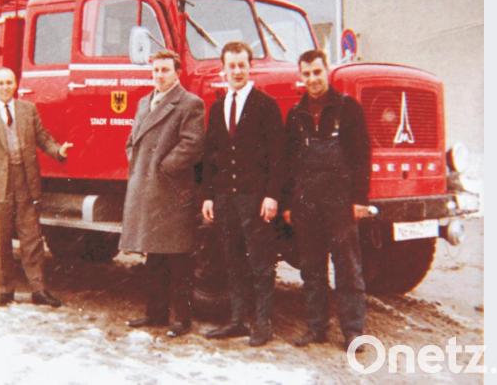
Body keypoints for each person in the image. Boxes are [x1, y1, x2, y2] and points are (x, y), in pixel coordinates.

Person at [282, 49, 371, 352]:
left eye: (317, 72)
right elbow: (290, 162)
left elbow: (361, 158)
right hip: (307, 203)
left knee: (347, 268)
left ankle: (353, 331)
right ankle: (316, 327)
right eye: (306, 74)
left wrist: (359, 199)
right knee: (312, 269)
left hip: (339, 202)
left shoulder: (348, 109)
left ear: (327, 71)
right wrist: (290, 204)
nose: (312, 79)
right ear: (301, 76)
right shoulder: (296, 114)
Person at [0, 67, 73, 307]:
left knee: (32, 240)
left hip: (25, 182)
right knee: (2, 241)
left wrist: (58, 151)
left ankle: (38, 290)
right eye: (0, 83)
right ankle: (4, 291)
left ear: (15, 85)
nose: (5, 87)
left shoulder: (28, 110)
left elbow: (42, 137)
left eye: (9, 82)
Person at [201, 41, 284, 347]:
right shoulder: (218, 107)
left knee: (260, 262)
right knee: (233, 260)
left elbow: (278, 157)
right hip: (225, 198)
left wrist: (272, 195)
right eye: (231, 66)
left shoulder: (266, 106)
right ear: (223, 69)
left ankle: (262, 322)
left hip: (255, 199)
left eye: (241, 65)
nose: (236, 71)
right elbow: (211, 156)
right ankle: (237, 320)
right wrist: (209, 196)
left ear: (250, 68)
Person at [120, 50, 205, 338]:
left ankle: (182, 319)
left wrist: (163, 167)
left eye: (165, 70)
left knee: (178, 259)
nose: (159, 75)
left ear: (176, 72)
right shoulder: (145, 102)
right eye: (155, 70)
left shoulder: (189, 103)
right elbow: (132, 140)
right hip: (148, 189)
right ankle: (154, 314)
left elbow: (192, 144)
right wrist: (138, 163)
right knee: (154, 257)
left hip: (171, 190)